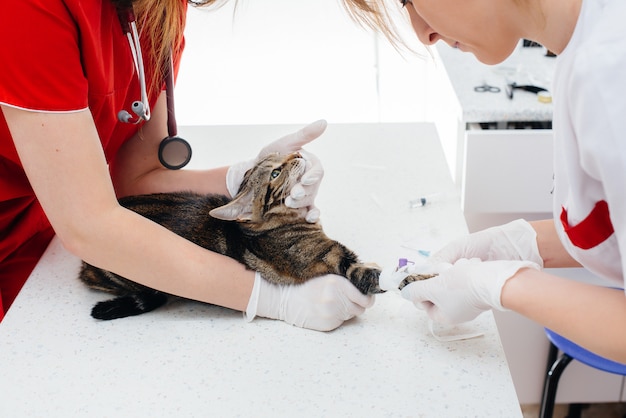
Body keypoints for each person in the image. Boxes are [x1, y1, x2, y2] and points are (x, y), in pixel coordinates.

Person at [0, 0, 375, 329]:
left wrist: (244, 182)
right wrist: (268, 297)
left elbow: (135, 179)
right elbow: (88, 224)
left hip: (43, 242)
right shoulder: (27, 7)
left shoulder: (159, 8)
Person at [346, 0, 626, 362]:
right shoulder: (580, 52)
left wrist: (503, 285)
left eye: (410, 1)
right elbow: (608, 224)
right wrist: (518, 244)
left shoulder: (610, 74)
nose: (423, 34)